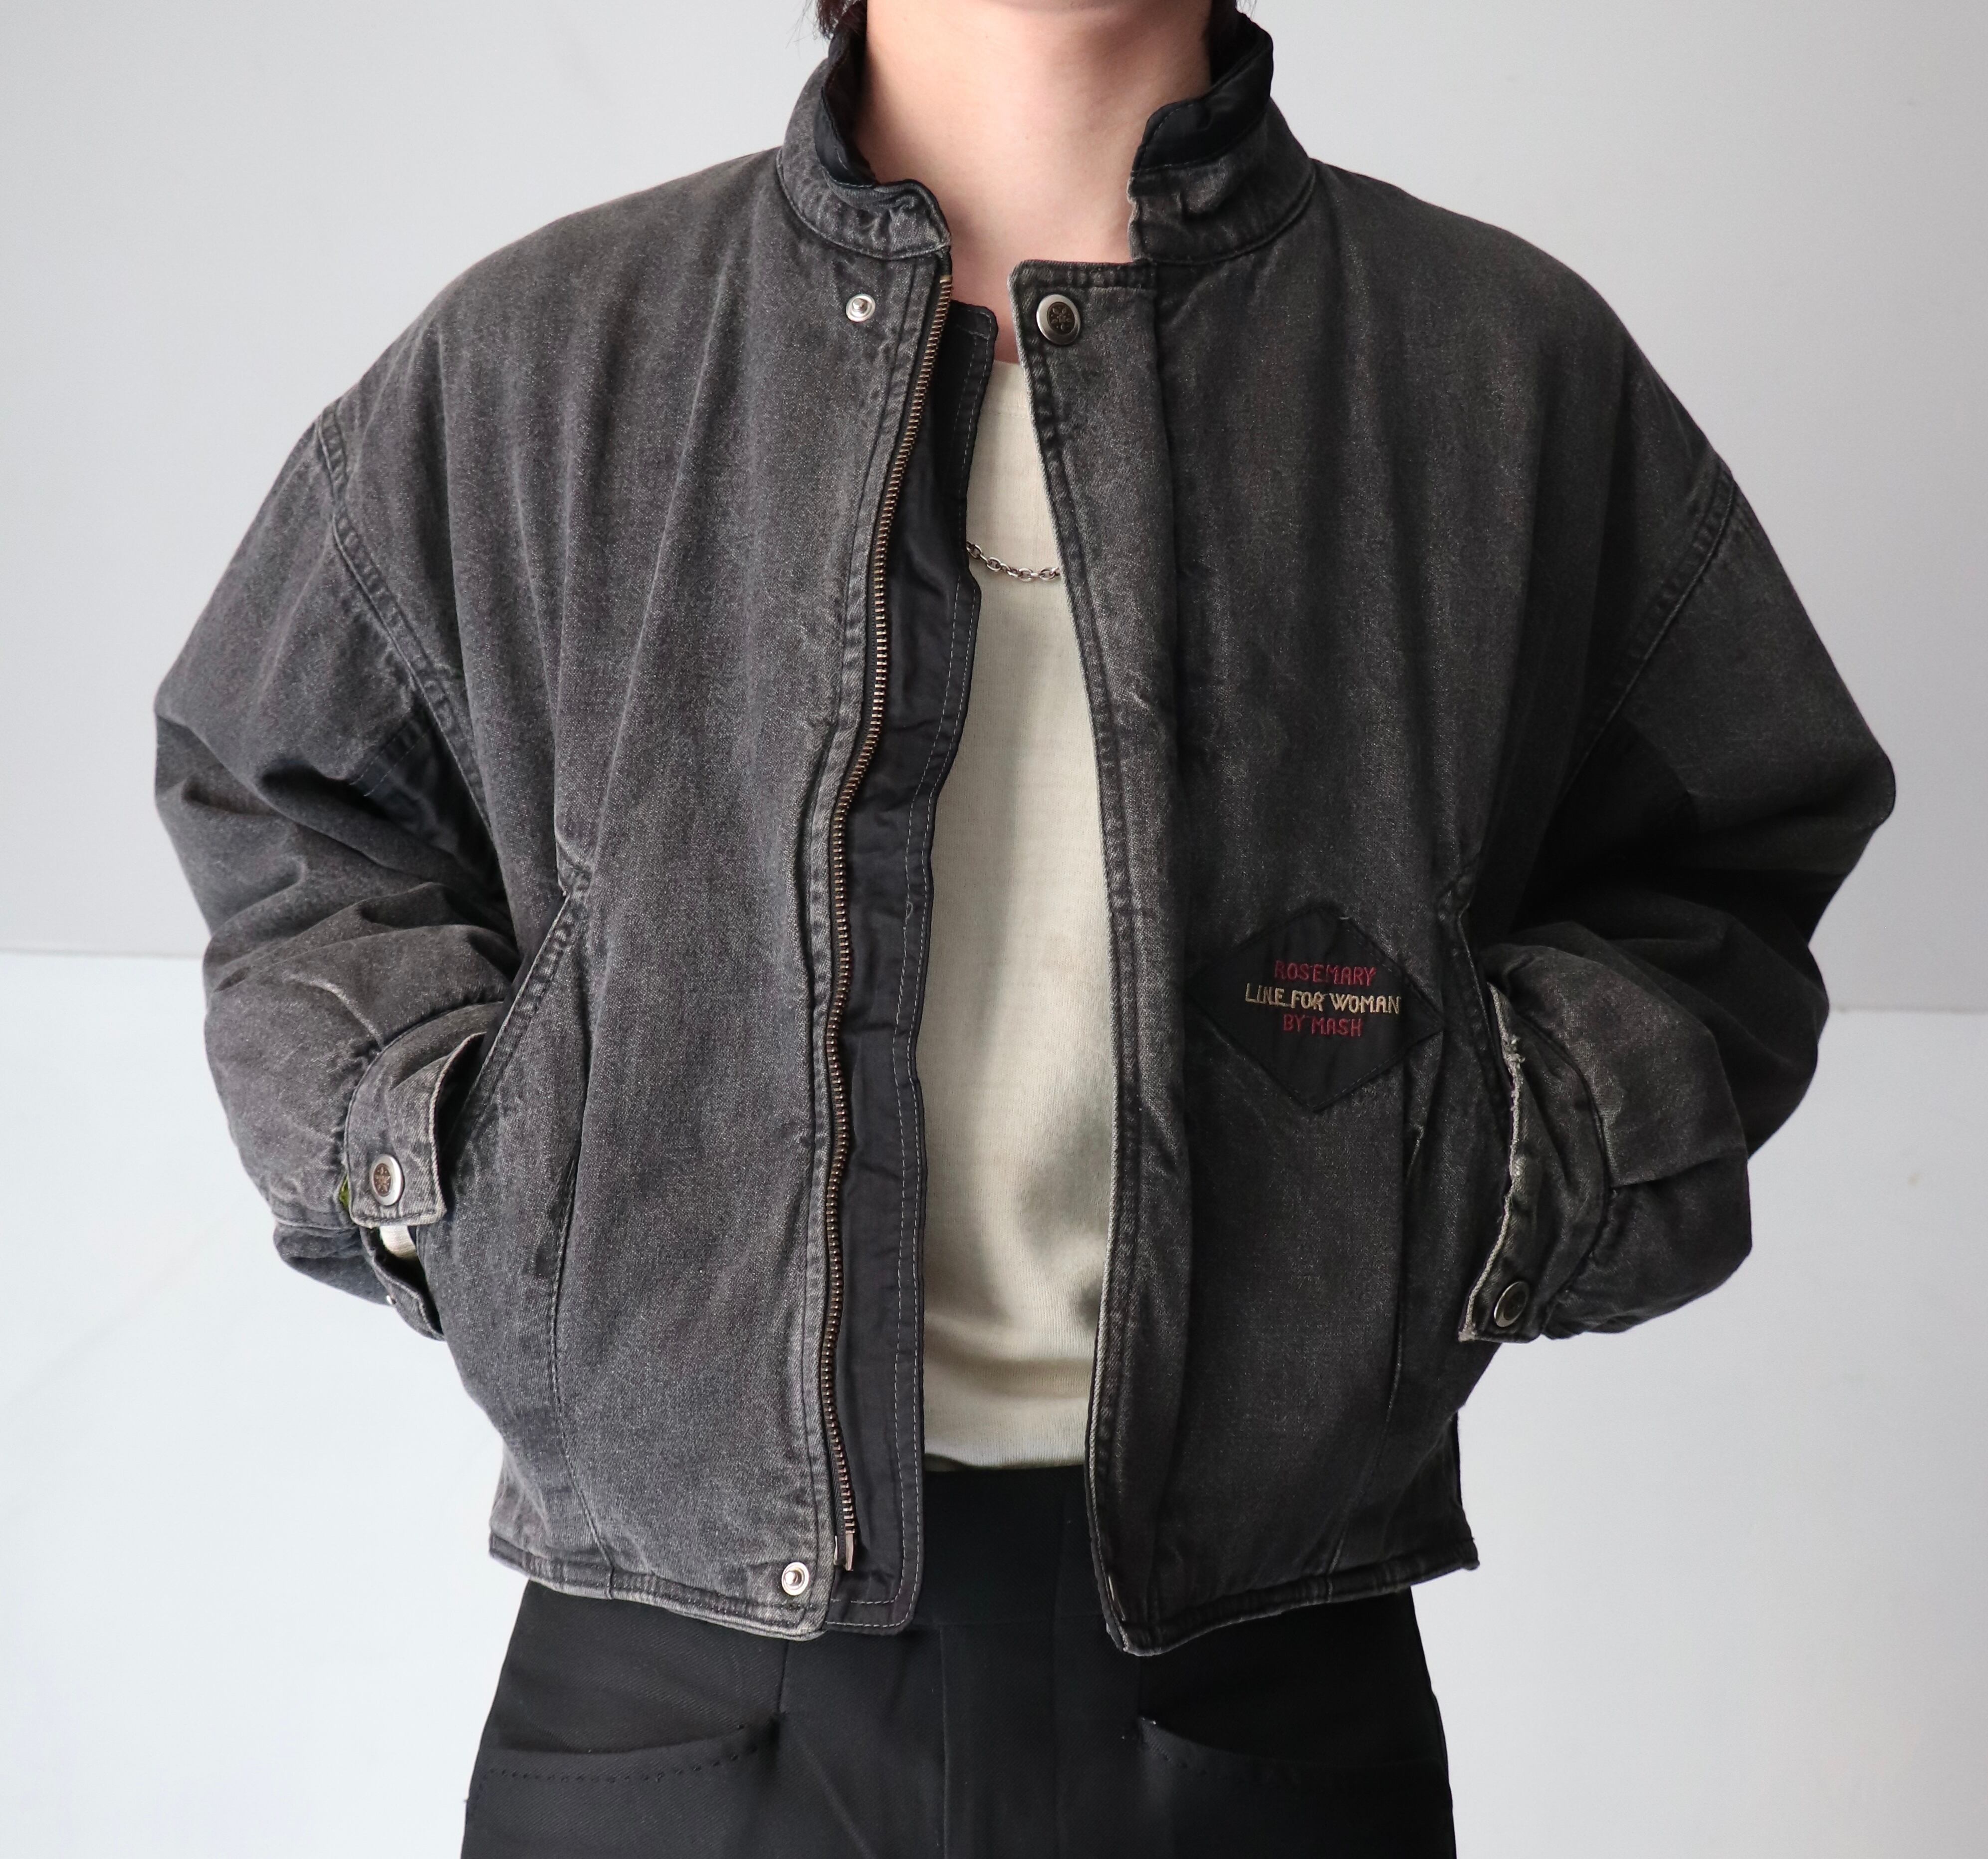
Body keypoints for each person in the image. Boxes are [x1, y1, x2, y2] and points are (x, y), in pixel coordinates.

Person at [154, 0, 1894, 1852]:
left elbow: (1730, 843)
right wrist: (481, 1165)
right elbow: (282, 799)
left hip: (1263, 1667)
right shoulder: (557, 347)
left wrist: (1492, 1144)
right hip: (671, 1676)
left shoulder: (1488, 360)